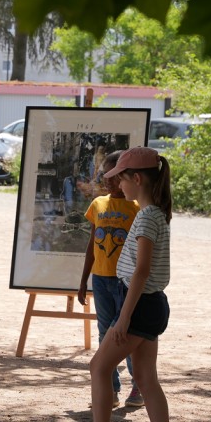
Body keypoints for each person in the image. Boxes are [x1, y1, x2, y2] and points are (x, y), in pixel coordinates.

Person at [73, 147, 176, 422]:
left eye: (120, 180)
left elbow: (141, 270)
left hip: (141, 303)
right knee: (145, 377)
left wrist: (124, 318)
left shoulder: (146, 216)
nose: (117, 187)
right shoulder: (155, 212)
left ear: (136, 178)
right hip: (153, 304)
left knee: (99, 368)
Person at [77, 150, 142, 408]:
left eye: (114, 175)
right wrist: (84, 281)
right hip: (101, 280)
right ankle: (111, 390)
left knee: (124, 333)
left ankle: (139, 385)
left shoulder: (138, 208)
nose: (108, 181)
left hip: (125, 282)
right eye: (105, 175)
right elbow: (92, 244)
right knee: (105, 332)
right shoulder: (98, 205)